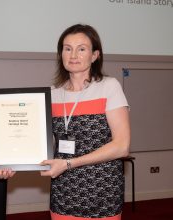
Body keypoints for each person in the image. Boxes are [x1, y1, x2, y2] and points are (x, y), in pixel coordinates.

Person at [40, 24, 130, 220]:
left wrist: (70, 163)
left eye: (81, 48)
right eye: (67, 48)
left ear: (95, 55)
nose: (73, 54)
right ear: (60, 54)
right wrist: (11, 163)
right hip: (63, 192)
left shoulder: (109, 87)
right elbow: (41, 142)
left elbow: (122, 146)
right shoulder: (52, 94)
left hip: (103, 192)